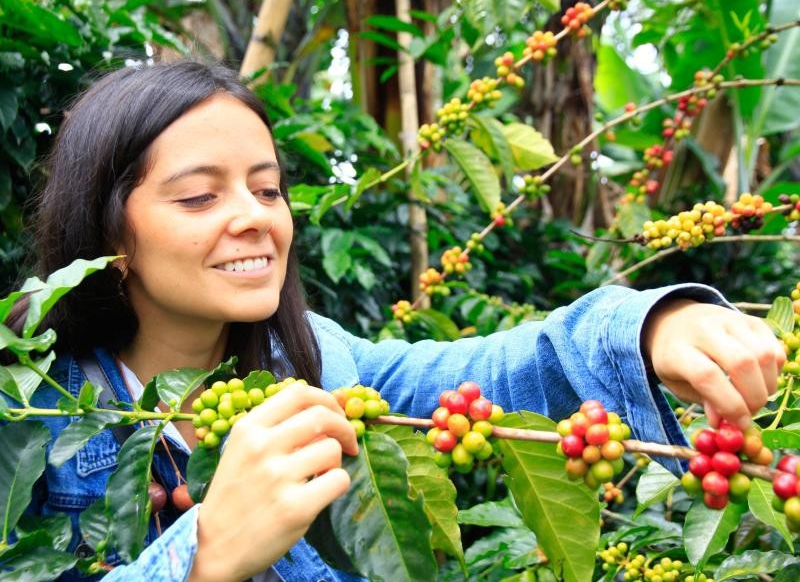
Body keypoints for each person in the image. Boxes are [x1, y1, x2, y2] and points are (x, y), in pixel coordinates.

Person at [18, 60, 784, 582]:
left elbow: (501, 370)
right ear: (110, 235)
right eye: (199, 197)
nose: (255, 218)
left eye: (267, 189)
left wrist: (648, 327)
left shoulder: (323, 367)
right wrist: (203, 553)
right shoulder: (29, 416)